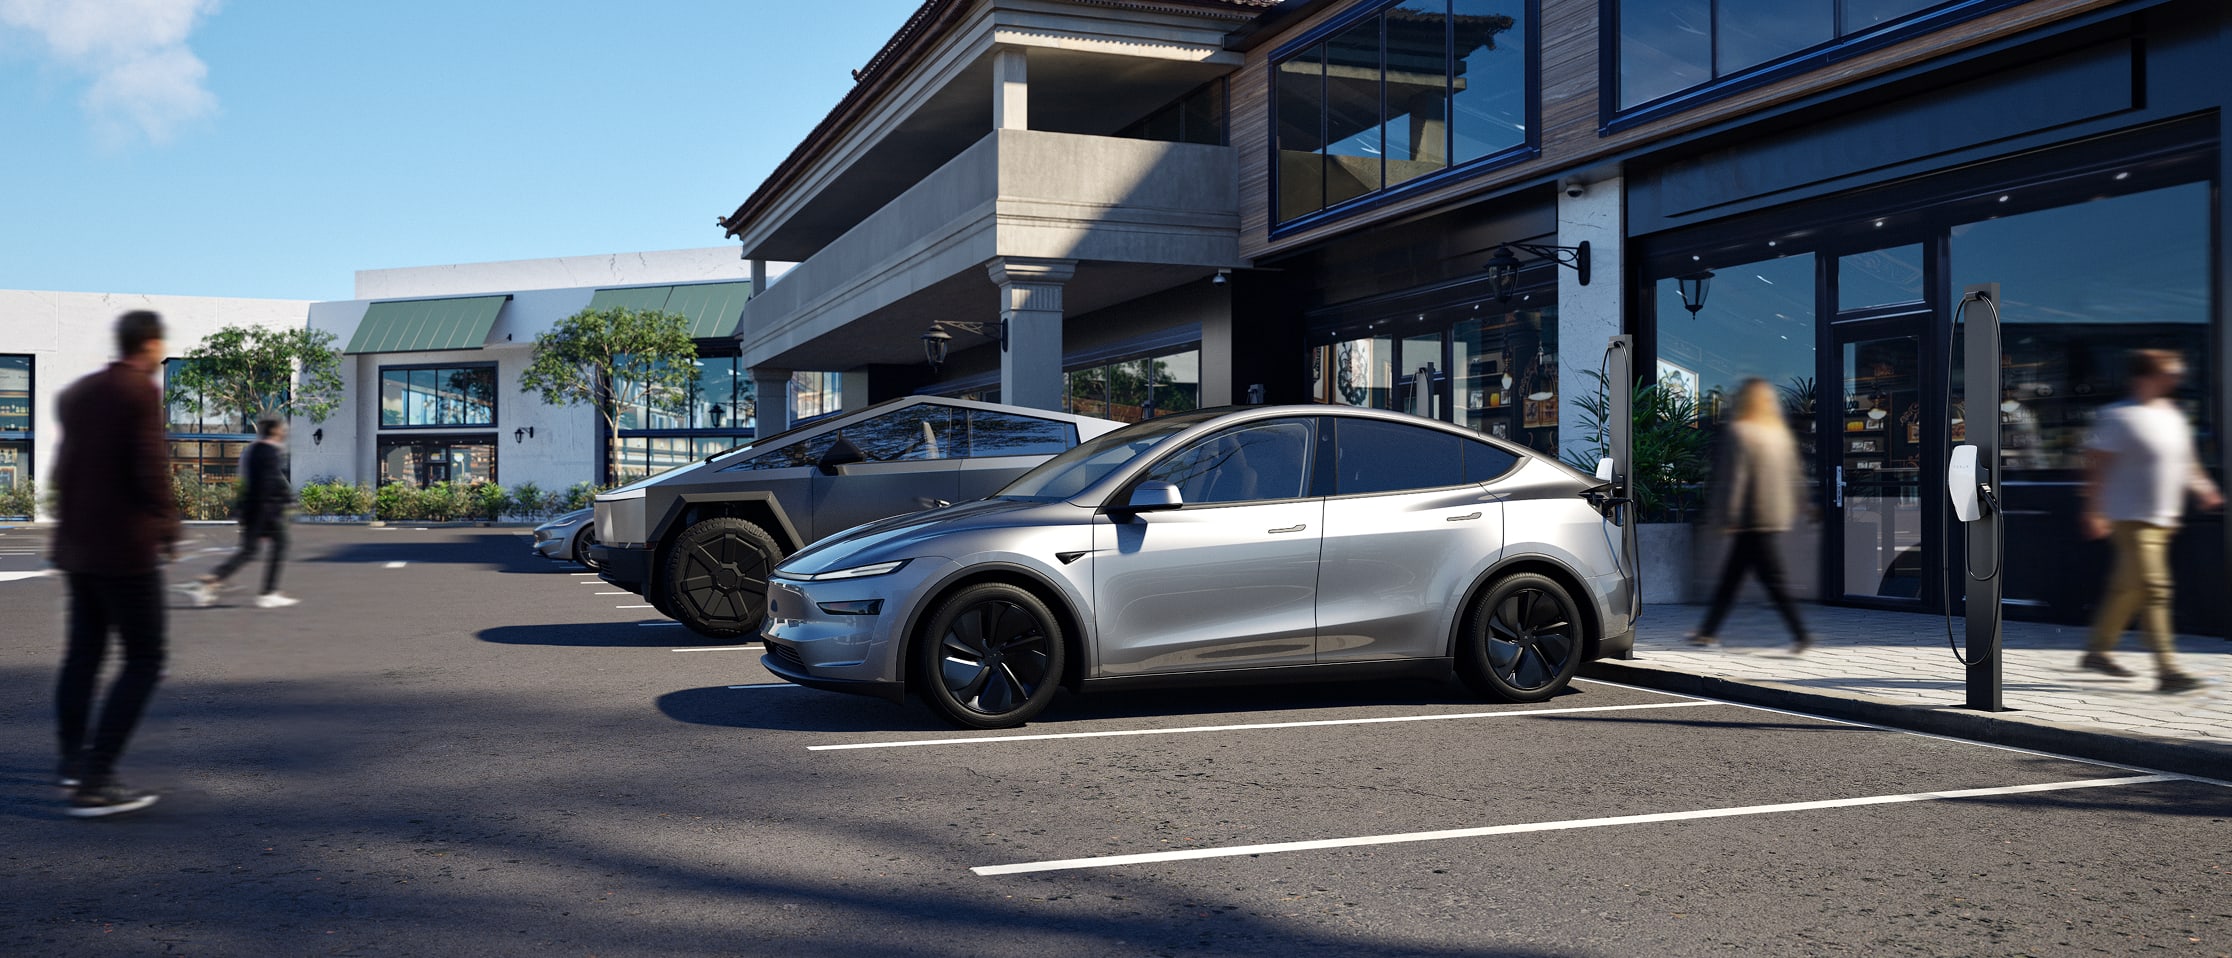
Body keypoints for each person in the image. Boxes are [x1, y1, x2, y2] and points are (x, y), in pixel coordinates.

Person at [49, 310, 177, 818]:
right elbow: (150, 468)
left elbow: (62, 468)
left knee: (83, 655)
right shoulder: (139, 391)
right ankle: (98, 778)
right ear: (148, 344)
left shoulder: (78, 393)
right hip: (124, 548)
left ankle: (72, 762)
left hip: (78, 547)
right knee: (145, 657)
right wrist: (168, 527)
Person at [2078, 348, 2220, 694]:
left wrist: (2204, 489)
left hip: (2163, 519)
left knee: (2127, 589)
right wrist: (2093, 510)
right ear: (2144, 376)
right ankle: (2167, 670)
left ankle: (2097, 651)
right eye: (2170, 372)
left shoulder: (2172, 414)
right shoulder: (2118, 416)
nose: (2177, 378)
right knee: (2156, 589)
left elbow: (2187, 462)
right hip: (2130, 518)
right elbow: (2096, 468)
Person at [1688, 377, 1813, 653]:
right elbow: (1794, 475)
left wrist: (1729, 516)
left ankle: (1800, 634)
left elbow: (1737, 478)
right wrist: (1797, 507)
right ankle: (1707, 631)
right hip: (1772, 515)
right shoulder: (1778, 434)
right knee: (1739, 578)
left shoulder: (1741, 432)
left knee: (1763, 579)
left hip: (1749, 518)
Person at [195, 416, 297, 608]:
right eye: (282, 429)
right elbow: (270, 481)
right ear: (274, 431)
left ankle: (213, 579)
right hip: (265, 510)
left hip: (253, 509)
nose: (285, 432)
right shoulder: (269, 452)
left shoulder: (253, 450)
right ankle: (268, 593)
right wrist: (286, 500)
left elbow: (252, 482)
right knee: (280, 544)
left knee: (248, 551)